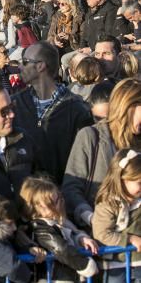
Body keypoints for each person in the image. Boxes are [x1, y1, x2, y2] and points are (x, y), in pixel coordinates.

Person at [63, 78, 141, 228]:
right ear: (128, 106)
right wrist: (91, 218)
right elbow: (71, 188)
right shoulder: (91, 136)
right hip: (98, 237)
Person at [13, 41, 93, 183]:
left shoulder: (77, 110)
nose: (20, 67)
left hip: (61, 194)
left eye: (25, 62)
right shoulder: (15, 104)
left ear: (41, 66)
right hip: (24, 195)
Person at [20, 176, 98, 283]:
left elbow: (71, 234)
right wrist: (86, 265)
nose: (59, 203)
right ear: (37, 207)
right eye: (52, 202)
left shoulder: (59, 221)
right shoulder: (40, 227)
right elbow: (61, 249)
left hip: (67, 280)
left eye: (58, 198)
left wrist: (81, 238)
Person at [92, 149, 141, 283]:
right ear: (122, 179)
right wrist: (130, 239)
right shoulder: (108, 203)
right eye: (139, 182)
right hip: (115, 266)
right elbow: (101, 233)